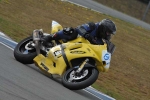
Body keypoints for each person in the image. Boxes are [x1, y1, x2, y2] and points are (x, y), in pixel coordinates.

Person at [41, 19, 117, 45]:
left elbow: (103, 47)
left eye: (110, 33)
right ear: (103, 28)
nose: (108, 35)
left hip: (82, 47)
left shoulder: (103, 39)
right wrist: (86, 35)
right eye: (108, 32)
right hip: (75, 39)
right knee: (71, 31)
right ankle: (50, 37)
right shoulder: (92, 26)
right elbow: (80, 28)